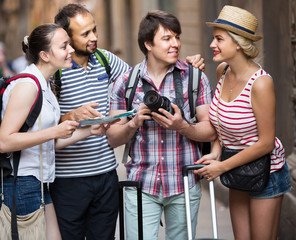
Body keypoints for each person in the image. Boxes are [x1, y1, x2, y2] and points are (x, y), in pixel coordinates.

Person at [50, 4, 206, 240]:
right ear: (67, 37)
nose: (94, 38)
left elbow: (147, 74)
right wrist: (69, 116)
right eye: (85, 34)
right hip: (68, 179)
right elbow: (42, 125)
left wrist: (187, 64)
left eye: (94, 30)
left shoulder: (105, 60)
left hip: (105, 175)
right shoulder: (55, 72)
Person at [106, 10, 216, 240]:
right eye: (167, 38)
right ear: (148, 43)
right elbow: (112, 138)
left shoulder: (194, 78)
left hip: (184, 182)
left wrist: (182, 126)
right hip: (141, 185)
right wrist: (134, 122)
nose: (175, 44)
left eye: (177, 37)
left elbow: (210, 130)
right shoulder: (126, 82)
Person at [0, 23, 106, 240]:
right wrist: (55, 131)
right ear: (44, 55)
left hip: (39, 183)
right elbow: (5, 142)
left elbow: (45, 143)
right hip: (21, 183)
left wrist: (89, 131)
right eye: (64, 46)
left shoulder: (45, 85)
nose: (71, 50)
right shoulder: (28, 86)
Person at [194, 5, 291, 240]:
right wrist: (217, 151)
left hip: (267, 172)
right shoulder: (222, 71)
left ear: (238, 43)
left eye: (219, 39)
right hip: (237, 170)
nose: (211, 44)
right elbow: (220, 122)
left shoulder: (261, 83)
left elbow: (266, 143)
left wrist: (222, 167)